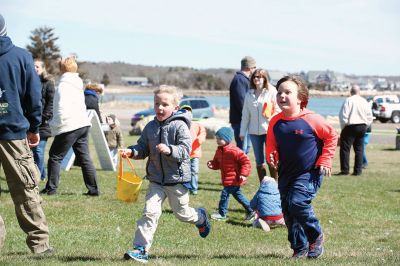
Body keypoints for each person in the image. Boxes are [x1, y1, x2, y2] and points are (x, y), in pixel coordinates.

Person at [120, 85, 211, 264]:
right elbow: (142, 147)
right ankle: (141, 249)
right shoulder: (150, 126)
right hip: (155, 180)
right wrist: (132, 151)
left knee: (182, 214)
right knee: (149, 213)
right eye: (157, 104)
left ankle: (200, 218)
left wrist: (169, 149)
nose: (160, 108)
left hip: (176, 181)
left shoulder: (180, 126)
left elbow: (185, 151)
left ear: (175, 108)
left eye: (164, 104)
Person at [266, 76, 338, 259]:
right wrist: (271, 157)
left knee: (297, 203)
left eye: (287, 92)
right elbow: (271, 145)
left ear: (300, 98)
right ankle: (299, 248)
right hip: (285, 174)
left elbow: (331, 136)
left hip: (309, 172)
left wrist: (325, 160)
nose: (282, 95)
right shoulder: (275, 122)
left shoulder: (312, 119)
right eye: (279, 92)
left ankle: (316, 236)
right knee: (288, 211)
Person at [0, 13, 53, 254]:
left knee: (25, 187)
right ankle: (39, 244)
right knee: (25, 188)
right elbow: (34, 97)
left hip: (12, 131)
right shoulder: (21, 57)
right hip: (13, 133)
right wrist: (34, 127)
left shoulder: (21, 56)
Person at [41, 56, 100, 196]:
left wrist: (54, 126)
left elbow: (60, 109)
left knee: (55, 156)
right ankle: (94, 190)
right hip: (82, 124)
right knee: (84, 158)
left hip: (70, 125)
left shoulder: (63, 86)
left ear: (62, 69)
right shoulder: (77, 83)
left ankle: (51, 188)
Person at [240, 68, 280, 182]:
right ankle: (263, 186)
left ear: (264, 78)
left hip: (269, 131)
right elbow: (245, 115)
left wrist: (270, 118)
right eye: (254, 77)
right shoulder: (249, 94)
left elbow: (278, 110)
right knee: (259, 161)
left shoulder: (272, 91)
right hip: (253, 132)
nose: (256, 79)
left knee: (270, 159)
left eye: (259, 76)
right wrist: (242, 132)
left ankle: (274, 185)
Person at [207, 127, 255, 221]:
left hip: (234, 179)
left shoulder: (235, 151)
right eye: (216, 138)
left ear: (227, 139)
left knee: (225, 194)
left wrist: (244, 174)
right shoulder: (219, 151)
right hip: (226, 179)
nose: (217, 141)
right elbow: (217, 163)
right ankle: (251, 211)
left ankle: (222, 214)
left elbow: (246, 162)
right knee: (238, 196)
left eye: (220, 139)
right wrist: (212, 164)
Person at [338, 85, 373, 176]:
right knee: (359, 149)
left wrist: (343, 127)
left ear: (350, 92)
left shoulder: (348, 100)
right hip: (362, 126)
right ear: (359, 92)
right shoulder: (364, 101)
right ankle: (358, 171)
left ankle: (345, 170)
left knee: (345, 149)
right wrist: (366, 125)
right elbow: (369, 116)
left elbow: (343, 116)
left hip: (350, 126)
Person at [31, 58, 55, 181]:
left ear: (43, 69)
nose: (35, 68)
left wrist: (45, 117)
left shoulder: (48, 83)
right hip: (30, 122)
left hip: (42, 124)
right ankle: (42, 175)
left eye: (37, 67)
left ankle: (38, 177)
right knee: (33, 152)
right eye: (33, 66)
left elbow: (51, 104)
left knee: (39, 151)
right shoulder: (28, 81)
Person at [229, 56, 257, 154]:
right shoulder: (239, 80)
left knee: (246, 148)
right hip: (240, 121)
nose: (255, 70)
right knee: (242, 150)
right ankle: (239, 169)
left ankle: (243, 169)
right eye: (254, 67)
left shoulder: (245, 80)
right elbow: (241, 101)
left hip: (245, 121)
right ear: (249, 67)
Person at [180, 104, 207, 195]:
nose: (187, 113)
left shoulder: (197, 125)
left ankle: (194, 188)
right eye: (184, 111)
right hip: (183, 153)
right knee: (183, 172)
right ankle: (185, 188)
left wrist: (200, 139)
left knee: (194, 171)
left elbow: (203, 133)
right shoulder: (180, 125)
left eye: (189, 111)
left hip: (195, 153)